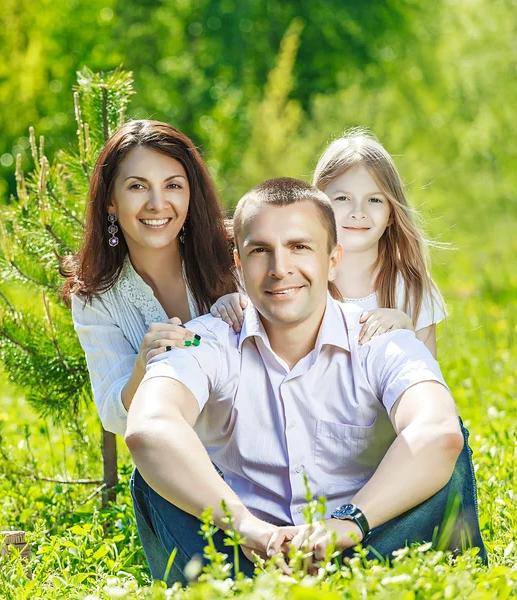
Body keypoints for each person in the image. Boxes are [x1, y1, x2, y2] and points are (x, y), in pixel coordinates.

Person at [125, 177, 486, 584]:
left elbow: (436, 431)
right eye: (261, 250)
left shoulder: (380, 340)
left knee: (447, 444)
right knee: (154, 469)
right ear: (239, 263)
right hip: (245, 555)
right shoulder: (208, 338)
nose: (281, 269)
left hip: (369, 544)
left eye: (300, 247)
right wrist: (248, 528)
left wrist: (346, 526)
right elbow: (148, 427)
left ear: (333, 258)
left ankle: (364, 586)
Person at [61, 120, 238, 437]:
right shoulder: (94, 295)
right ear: (110, 201)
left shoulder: (237, 252)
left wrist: (249, 310)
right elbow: (114, 417)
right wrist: (144, 365)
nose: (157, 204)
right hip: (171, 465)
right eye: (137, 186)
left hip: (266, 459)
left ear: (190, 193)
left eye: (172, 185)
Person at [212, 130, 445, 358]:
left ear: (392, 213)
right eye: (343, 198)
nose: (358, 212)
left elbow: (428, 378)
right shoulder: (287, 275)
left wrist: (406, 331)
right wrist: (228, 304)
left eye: (374, 200)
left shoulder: (410, 287)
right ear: (319, 206)